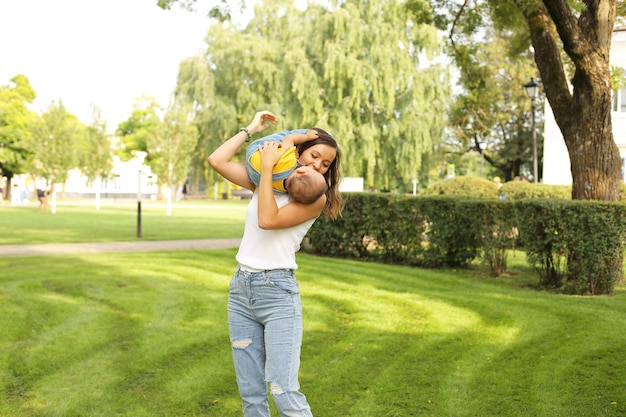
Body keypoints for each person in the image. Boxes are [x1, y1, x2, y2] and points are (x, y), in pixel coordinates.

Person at [207, 110, 343, 417]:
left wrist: (267, 168)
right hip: (241, 290)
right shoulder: (265, 184)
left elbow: (267, 220)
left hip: (278, 294)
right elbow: (217, 160)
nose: (317, 166)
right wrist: (251, 129)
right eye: (314, 156)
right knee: (251, 395)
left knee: (284, 391)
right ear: (297, 151)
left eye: (325, 165)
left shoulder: (313, 199)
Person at [247, 129, 328, 204]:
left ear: (301, 171)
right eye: (314, 155)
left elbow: (289, 138)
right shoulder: (280, 190)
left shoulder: (290, 162)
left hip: (257, 151)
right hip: (254, 174)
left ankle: (307, 132)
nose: (316, 166)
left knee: (296, 135)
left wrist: (307, 136)